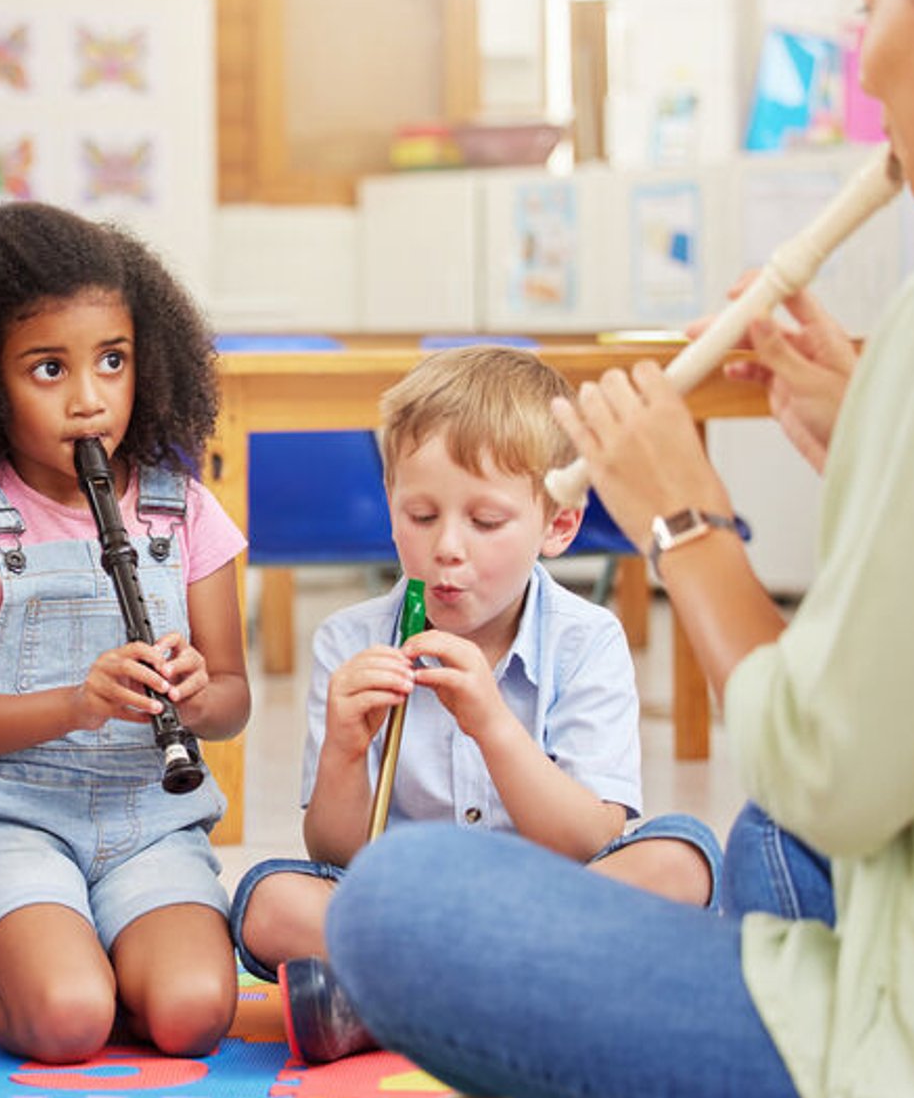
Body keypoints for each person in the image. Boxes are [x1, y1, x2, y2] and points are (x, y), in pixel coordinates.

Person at [324, 0, 914, 1094]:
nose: (864, 60)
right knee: (753, 842)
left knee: (398, 904)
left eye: (865, 10)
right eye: (420, 513)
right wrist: (874, 433)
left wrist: (684, 523)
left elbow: (829, 774)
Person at [230, 346, 722, 1064]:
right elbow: (339, 854)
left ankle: (400, 1002)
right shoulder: (350, 640)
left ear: (558, 526)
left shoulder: (588, 640)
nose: (447, 548)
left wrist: (493, 725)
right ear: (390, 506)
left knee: (686, 858)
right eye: (420, 514)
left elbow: (589, 838)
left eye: (486, 521)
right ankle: (542, 995)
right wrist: (342, 750)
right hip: (407, 902)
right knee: (266, 901)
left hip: (553, 892)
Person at [0, 182, 252, 1064]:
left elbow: (233, 699)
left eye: (112, 360)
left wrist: (196, 695)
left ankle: (103, 944)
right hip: (10, 817)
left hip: (151, 817)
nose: (90, 400)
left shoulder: (181, 510)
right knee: (70, 1022)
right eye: (50, 369)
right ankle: (3, 967)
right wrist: (80, 701)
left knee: (194, 1016)